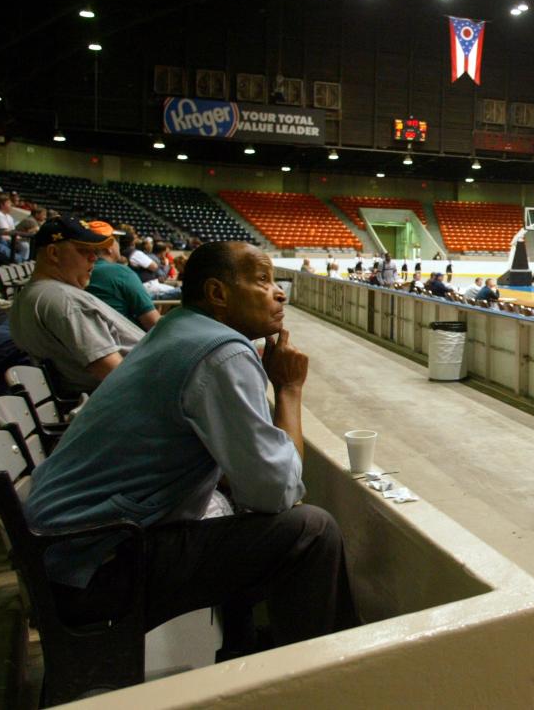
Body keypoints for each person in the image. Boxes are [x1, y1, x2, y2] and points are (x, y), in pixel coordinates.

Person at [23, 241, 358, 657]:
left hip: (57, 554)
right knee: (312, 531)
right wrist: (288, 390)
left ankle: (245, 649)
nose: (279, 292)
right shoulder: (222, 352)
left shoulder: (177, 327)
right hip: (93, 568)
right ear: (218, 293)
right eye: (262, 280)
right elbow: (277, 492)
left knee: (236, 508)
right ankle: (320, 679)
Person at [8, 217, 145, 397]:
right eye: (84, 250)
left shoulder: (31, 293)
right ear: (54, 253)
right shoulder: (65, 301)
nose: (94, 258)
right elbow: (115, 375)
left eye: (95, 251)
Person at [85, 220, 162, 330]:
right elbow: (153, 322)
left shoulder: (76, 272)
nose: (119, 244)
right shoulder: (120, 272)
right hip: (128, 341)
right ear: (108, 246)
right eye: (116, 240)